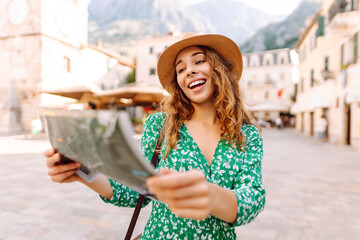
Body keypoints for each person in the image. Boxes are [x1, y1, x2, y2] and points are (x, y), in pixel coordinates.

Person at [44, 33, 266, 239]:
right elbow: (135, 191)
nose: (189, 70)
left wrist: (212, 196)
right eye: (181, 69)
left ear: (219, 69)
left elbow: (252, 200)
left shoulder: (247, 135)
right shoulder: (161, 126)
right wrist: (82, 171)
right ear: (179, 84)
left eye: (199, 61)